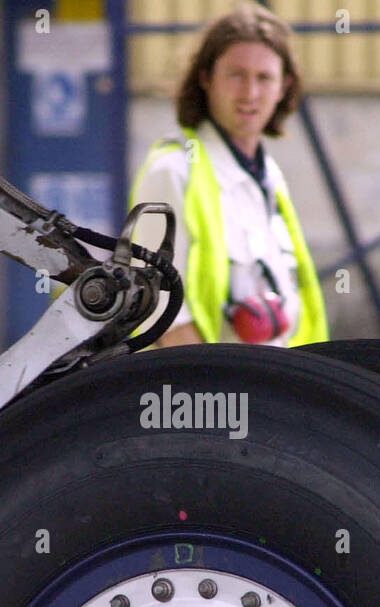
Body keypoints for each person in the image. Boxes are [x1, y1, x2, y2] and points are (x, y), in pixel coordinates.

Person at [130, 3, 328, 348]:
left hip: (270, 387)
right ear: (206, 78)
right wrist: (217, 397)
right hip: (207, 393)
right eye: (236, 74)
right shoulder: (172, 171)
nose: (250, 93)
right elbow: (160, 309)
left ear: (284, 86)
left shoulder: (270, 179)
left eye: (264, 77)